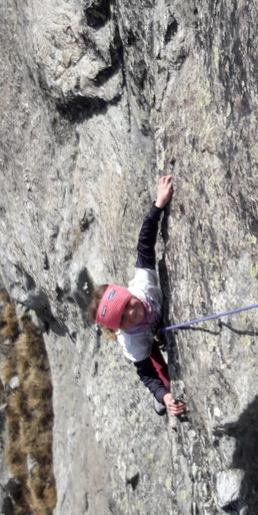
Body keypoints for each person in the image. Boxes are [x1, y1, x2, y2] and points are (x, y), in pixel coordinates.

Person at [89, 176, 185, 418]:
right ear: (119, 328)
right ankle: (161, 404)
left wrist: (159, 204)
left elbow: (145, 242)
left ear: (128, 293)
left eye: (127, 304)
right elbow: (146, 374)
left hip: (150, 325)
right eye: (122, 318)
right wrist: (164, 395)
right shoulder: (133, 344)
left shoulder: (142, 285)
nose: (131, 312)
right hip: (143, 340)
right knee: (164, 379)